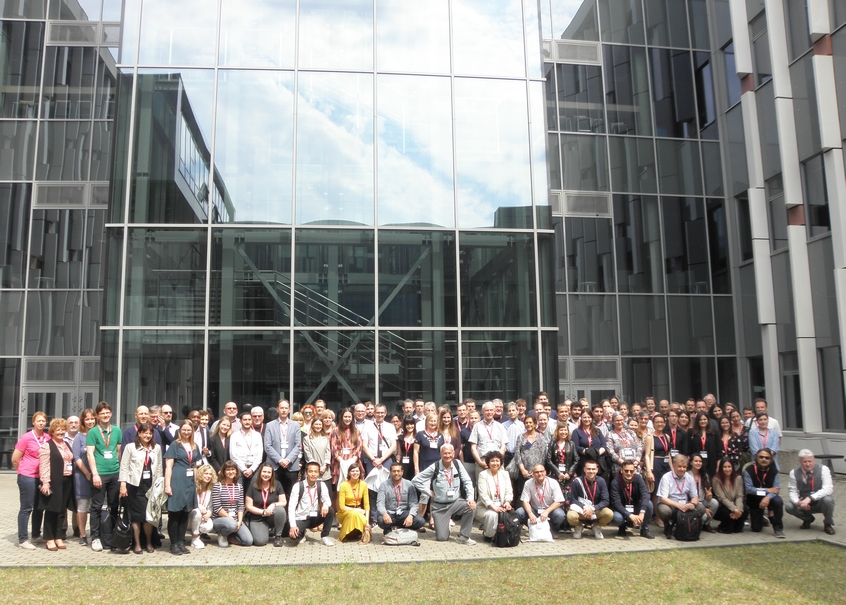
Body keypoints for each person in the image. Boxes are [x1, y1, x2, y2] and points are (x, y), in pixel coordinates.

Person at [412, 443, 477, 544]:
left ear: (453, 453)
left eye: (449, 453)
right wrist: (428, 492)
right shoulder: (435, 467)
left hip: (456, 502)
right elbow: (416, 480)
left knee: (470, 507)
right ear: (441, 454)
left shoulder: (457, 464)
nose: (447, 455)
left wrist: (470, 498)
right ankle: (446, 528)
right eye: (445, 453)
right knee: (442, 537)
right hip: (439, 507)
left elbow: (467, 481)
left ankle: (464, 536)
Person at [86, 401, 122, 552]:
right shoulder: (93, 432)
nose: (105, 415)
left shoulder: (117, 430)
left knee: (114, 505)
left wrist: (119, 470)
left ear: (111, 413)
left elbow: (118, 451)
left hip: (114, 473)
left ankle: (112, 535)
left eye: (107, 412)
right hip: (100, 473)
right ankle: (95, 537)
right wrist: (95, 474)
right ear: (97, 416)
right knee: (96, 506)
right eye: (102, 413)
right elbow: (90, 454)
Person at [164, 420, 202, 555]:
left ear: (192, 431)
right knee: (175, 513)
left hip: (189, 483)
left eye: (189, 430)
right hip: (177, 481)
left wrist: (196, 483)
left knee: (185, 513)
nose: (186, 432)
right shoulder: (175, 445)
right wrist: (167, 485)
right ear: (180, 430)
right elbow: (169, 466)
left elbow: (195, 466)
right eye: (184, 430)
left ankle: (181, 542)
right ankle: (173, 544)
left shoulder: (194, 446)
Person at [37, 418, 75, 551]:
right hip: (54, 481)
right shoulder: (47, 446)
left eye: (63, 430)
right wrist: (45, 482)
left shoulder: (66, 444)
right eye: (58, 430)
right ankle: (49, 538)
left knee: (61, 510)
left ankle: (58, 536)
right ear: (52, 431)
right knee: (51, 510)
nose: (61, 432)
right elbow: (44, 465)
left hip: (67, 480)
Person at [13, 411, 48, 550]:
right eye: (38, 420)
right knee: (26, 508)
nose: (41, 423)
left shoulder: (47, 437)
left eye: (43, 420)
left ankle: (36, 535)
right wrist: (22, 471)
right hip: (27, 477)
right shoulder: (26, 438)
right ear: (33, 422)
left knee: (39, 507)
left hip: (42, 477)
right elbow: (15, 459)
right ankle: (23, 539)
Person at [786, 449, 835, 535]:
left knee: (828, 500)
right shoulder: (793, 472)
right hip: (804, 504)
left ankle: (828, 523)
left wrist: (810, 498)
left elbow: (828, 488)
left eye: (810, 461)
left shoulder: (824, 469)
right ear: (800, 461)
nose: (808, 464)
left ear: (814, 459)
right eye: (804, 462)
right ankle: (808, 519)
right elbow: (792, 491)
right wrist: (798, 502)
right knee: (789, 506)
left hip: (820, 502)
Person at [656, 454, 706, 539]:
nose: (682, 469)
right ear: (674, 466)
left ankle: (687, 526)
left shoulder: (689, 478)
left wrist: (692, 504)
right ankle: (668, 526)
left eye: (684, 467)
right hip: (671, 505)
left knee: (701, 508)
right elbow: (663, 499)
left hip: (685, 505)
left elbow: (695, 496)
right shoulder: (666, 477)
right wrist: (679, 506)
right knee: (664, 511)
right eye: (679, 466)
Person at [264, 399, 302, 506]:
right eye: (282, 408)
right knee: (274, 493)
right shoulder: (270, 425)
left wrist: (288, 460)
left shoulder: (296, 425)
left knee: (291, 494)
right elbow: (267, 446)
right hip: (275, 466)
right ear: (277, 409)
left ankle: (290, 516)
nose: (284, 410)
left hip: (291, 466)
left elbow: (297, 445)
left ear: (289, 410)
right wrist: (280, 460)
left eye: (286, 408)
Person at [288, 461, 335, 546]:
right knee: (294, 537)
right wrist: (293, 526)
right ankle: (302, 534)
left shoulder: (322, 485)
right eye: (310, 471)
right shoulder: (298, 486)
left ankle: (325, 536)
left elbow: (327, 500)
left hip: (314, 516)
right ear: (306, 473)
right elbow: (291, 507)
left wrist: (325, 505)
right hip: (301, 517)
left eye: (316, 472)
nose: (313, 474)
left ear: (318, 473)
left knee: (330, 510)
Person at [211, 460, 254, 548]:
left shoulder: (239, 487)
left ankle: (230, 536)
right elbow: (217, 507)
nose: (231, 472)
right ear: (224, 472)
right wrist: (229, 518)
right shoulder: (217, 486)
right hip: (219, 518)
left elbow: (240, 506)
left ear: (236, 471)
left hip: (235, 520)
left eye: (233, 469)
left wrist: (240, 521)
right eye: (228, 470)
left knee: (248, 541)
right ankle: (222, 534)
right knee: (232, 524)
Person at [567, 459, 613, 539]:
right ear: (584, 469)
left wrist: (593, 509)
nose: (591, 471)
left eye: (593, 469)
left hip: (595, 510)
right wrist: (584, 507)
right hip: (582, 511)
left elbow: (605, 501)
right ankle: (579, 526)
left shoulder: (601, 481)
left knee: (609, 514)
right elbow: (573, 499)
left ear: (597, 470)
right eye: (588, 469)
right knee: (571, 516)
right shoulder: (577, 482)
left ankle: (596, 526)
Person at [244, 462, 288, 547]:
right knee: (260, 541)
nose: (266, 474)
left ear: (272, 474)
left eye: (269, 472)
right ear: (260, 472)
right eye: (264, 471)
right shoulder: (253, 485)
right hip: (257, 517)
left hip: (271, 515)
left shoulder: (277, 484)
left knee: (280, 510)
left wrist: (274, 505)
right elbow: (248, 506)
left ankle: (278, 537)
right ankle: (265, 531)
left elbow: (283, 502)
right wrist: (263, 512)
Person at [744, 448, 785, 538]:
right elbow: (749, 489)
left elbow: (776, 489)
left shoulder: (774, 471)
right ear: (756, 458)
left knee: (778, 501)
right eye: (761, 457)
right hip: (754, 498)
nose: (764, 459)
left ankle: (778, 529)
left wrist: (768, 497)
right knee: (756, 528)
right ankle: (762, 518)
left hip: (769, 497)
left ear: (771, 460)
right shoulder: (749, 470)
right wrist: (766, 490)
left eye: (767, 458)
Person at [517, 463, 565, 536]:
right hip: (535, 510)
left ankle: (553, 530)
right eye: (537, 472)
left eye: (541, 471)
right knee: (519, 512)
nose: (539, 474)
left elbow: (558, 501)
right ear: (533, 474)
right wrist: (530, 514)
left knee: (560, 515)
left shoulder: (553, 482)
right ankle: (532, 528)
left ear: (545, 472)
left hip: (549, 511)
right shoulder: (528, 483)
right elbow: (525, 501)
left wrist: (547, 512)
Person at [609, 460, 654, 539]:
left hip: (635, 507)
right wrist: (630, 515)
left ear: (634, 471)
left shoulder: (638, 478)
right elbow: (616, 503)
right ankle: (622, 526)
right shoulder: (615, 482)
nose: (629, 473)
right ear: (621, 470)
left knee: (649, 504)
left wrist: (642, 512)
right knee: (617, 517)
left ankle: (645, 529)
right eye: (626, 471)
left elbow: (645, 494)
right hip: (622, 509)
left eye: (631, 471)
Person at [376, 462, 426, 532]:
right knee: (381, 520)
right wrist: (384, 514)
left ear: (402, 472)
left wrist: (411, 515)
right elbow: (380, 503)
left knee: (420, 521)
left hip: (404, 513)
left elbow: (414, 503)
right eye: (394, 471)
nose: (396, 473)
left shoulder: (409, 484)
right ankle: (389, 528)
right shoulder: (384, 485)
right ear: (390, 472)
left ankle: (402, 528)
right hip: (390, 513)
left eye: (398, 471)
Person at [414, 412, 445, 525]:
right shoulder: (420, 435)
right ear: (427, 422)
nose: (433, 423)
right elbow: (415, 452)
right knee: (425, 494)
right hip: (424, 468)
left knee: (436, 494)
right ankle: (419, 521)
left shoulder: (441, 436)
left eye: (435, 421)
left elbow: (442, 453)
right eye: (431, 421)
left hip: (438, 469)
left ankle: (433, 520)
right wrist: (417, 469)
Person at [513, 414, 549, 509]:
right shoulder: (521, 437)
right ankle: (522, 514)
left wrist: (536, 471)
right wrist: (523, 470)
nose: (528, 424)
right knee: (522, 494)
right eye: (526, 423)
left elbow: (543, 455)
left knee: (537, 493)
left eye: (530, 422)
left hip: (537, 473)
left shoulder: (541, 437)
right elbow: (517, 454)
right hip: (524, 472)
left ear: (535, 424)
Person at [476, 451, 513, 541]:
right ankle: (489, 536)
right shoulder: (483, 475)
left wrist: (507, 502)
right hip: (485, 507)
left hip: (502, 506)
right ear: (488, 463)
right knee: (493, 514)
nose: (495, 463)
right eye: (492, 461)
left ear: (501, 462)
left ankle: (503, 536)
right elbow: (483, 495)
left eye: (497, 461)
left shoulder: (505, 474)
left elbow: (509, 491)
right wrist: (495, 508)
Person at [72, 408, 95, 546]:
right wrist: (87, 473)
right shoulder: (79, 437)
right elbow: (76, 457)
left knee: (96, 505)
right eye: (87, 419)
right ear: (83, 421)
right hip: (82, 476)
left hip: (98, 475)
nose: (90, 421)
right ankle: (82, 534)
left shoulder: (99, 435)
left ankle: (96, 533)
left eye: (92, 418)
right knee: (83, 506)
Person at [469, 402, 507, 481]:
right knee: (482, 485)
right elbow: (473, 447)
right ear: (483, 412)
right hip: (482, 461)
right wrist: (479, 462)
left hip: (497, 461)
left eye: (491, 410)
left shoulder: (500, 426)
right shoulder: (477, 426)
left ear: (494, 411)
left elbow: (503, 446)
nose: (489, 412)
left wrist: (497, 460)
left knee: (499, 484)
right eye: (487, 410)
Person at [329, 408, 362, 502]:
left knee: (353, 489)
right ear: (341, 417)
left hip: (353, 463)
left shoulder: (356, 431)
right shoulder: (335, 431)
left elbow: (359, 447)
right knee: (339, 491)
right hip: (339, 464)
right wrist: (342, 461)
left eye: (349, 417)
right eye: (345, 416)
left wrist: (352, 461)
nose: (347, 419)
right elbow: (333, 448)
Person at [547, 423, 579, 517]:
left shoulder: (571, 444)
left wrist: (569, 473)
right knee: (558, 498)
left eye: (565, 430)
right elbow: (548, 460)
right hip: (556, 476)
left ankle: (569, 519)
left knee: (569, 498)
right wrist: (558, 473)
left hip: (569, 476)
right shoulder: (552, 444)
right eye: (561, 430)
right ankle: (559, 518)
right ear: (557, 431)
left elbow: (576, 459)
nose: (563, 432)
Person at [712, 457, 747, 533]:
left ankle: (736, 523)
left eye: (729, 466)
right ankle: (722, 527)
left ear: (732, 467)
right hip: (723, 505)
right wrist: (735, 509)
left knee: (745, 509)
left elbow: (740, 496)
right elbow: (722, 498)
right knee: (728, 528)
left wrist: (739, 510)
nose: (727, 469)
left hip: (735, 503)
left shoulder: (738, 478)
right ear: (721, 468)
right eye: (724, 467)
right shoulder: (716, 480)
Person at [336, 465, 371, 543]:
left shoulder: (364, 484)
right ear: (349, 473)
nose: (355, 473)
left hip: (359, 511)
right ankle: (344, 535)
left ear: (360, 472)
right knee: (353, 513)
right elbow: (341, 507)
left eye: (357, 471)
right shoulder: (343, 485)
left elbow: (367, 505)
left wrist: (367, 522)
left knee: (360, 519)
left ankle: (358, 532)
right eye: (353, 471)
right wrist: (356, 510)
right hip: (345, 511)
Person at [188, 464, 216, 549]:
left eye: (210, 474)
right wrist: (199, 506)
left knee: (208, 527)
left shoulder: (211, 489)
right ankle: (195, 538)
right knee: (197, 512)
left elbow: (211, 506)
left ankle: (197, 533)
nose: (208, 476)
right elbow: (189, 503)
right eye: (206, 473)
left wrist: (208, 514)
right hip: (190, 515)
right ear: (200, 474)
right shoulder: (193, 486)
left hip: (203, 515)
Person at [688, 452, 718, 533]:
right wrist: (704, 509)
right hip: (691, 502)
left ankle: (706, 525)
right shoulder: (687, 475)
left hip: (702, 500)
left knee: (714, 502)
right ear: (691, 462)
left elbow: (707, 494)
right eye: (696, 461)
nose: (698, 463)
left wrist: (709, 496)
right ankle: (696, 525)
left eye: (700, 461)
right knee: (703, 516)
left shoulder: (705, 475)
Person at [302, 415, 332, 492]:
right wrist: (316, 468)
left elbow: (328, 452)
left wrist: (324, 466)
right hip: (312, 470)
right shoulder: (307, 439)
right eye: (316, 424)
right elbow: (307, 454)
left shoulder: (326, 438)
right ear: (312, 425)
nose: (318, 426)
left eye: (320, 424)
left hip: (324, 471)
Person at [690, 412, 719, 478]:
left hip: (711, 464)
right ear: (697, 421)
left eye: (704, 419)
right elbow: (689, 450)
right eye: (700, 420)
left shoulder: (714, 433)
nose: (703, 421)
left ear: (708, 420)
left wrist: (717, 466)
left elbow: (718, 451)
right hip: (696, 464)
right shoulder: (692, 433)